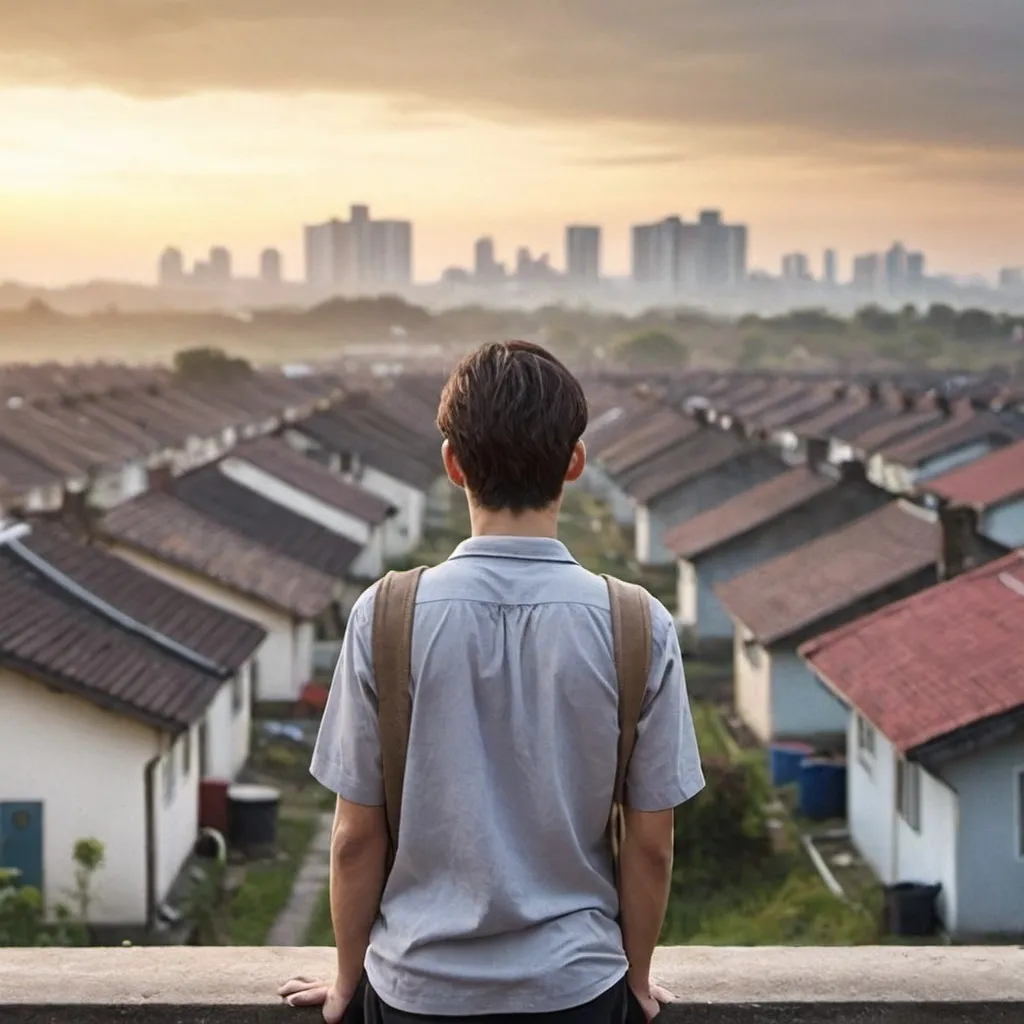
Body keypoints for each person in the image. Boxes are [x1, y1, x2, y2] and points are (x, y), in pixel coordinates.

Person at [279, 341, 704, 1024]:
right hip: (578, 991)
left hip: (417, 989)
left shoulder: (385, 616)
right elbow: (652, 843)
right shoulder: (636, 623)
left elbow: (355, 837)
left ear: (453, 464)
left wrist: (347, 977)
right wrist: (639, 978)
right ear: (574, 463)